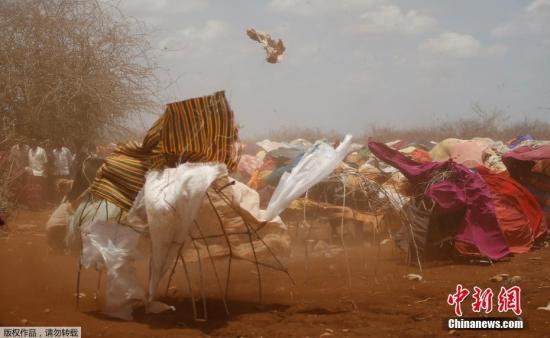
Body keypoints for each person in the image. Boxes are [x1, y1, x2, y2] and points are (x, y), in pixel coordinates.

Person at [23, 139, 49, 209]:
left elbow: (45, 162)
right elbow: (28, 162)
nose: (33, 144)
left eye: (34, 142)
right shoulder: (29, 151)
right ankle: (33, 205)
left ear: (37, 143)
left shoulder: (42, 150)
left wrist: (45, 172)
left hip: (40, 173)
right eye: (31, 142)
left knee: (41, 189)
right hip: (31, 173)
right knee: (32, 190)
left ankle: (42, 204)